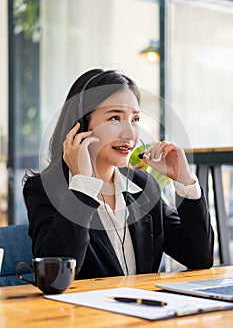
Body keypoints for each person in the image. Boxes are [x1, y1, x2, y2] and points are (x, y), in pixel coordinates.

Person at [23, 68, 214, 279]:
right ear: (81, 126)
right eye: (115, 118)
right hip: (84, 311)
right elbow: (56, 275)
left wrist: (185, 181)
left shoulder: (143, 186)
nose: (130, 133)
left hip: (144, 308)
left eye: (135, 120)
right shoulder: (44, 188)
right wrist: (83, 186)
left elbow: (200, 257)